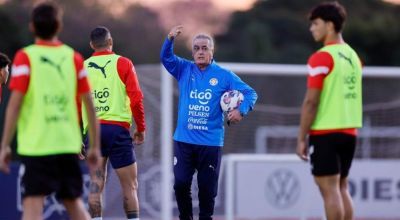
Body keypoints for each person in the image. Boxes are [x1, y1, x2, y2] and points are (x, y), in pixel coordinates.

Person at [0, 2, 100, 220]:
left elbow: (15, 104)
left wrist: (5, 145)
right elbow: (89, 105)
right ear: (59, 26)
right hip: (66, 143)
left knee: (32, 206)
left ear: (32, 27)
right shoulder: (74, 58)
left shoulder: (25, 57)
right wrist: (95, 146)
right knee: (74, 203)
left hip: (37, 146)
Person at [160, 25, 258, 220]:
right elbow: (166, 58)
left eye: (205, 48)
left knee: (206, 190)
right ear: (192, 52)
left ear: (212, 51)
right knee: (180, 184)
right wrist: (169, 39)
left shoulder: (224, 75)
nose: (200, 52)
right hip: (184, 141)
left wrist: (241, 110)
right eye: (196, 48)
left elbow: (250, 93)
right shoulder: (184, 69)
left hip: (210, 143)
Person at [296, 2, 362, 220]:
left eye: (315, 23)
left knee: (330, 191)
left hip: (326, 131)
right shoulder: (353, 57)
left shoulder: (321, 57)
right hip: (350, 131)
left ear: (330, 25)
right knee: (341, 187)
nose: (311, 28)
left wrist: (301, 137)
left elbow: (311, 102)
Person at [82, 26, 146, 220]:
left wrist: (78, 137)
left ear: (92, 44)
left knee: (96, 183)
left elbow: (76, 104)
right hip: (117, 130)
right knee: (130, 186)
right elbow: (136, 98)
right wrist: (141, 128)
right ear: (111, 42)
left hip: (93, 131)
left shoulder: (82, 67)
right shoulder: (123, 63)